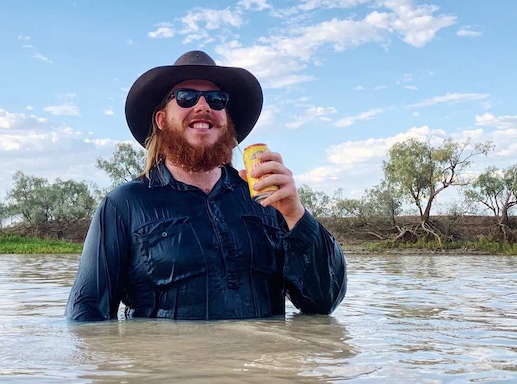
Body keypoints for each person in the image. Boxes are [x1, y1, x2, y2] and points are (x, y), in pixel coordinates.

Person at [66, 50, 347, 321]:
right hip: (168, 370)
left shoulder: (267, 200)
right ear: (162, 119)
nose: (203, 106)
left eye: (216, 99)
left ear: (226, 120)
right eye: (186, 98)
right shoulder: (123, 204)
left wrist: (295, 215)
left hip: (260, 368)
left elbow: (323, 304)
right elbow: (86, 316)